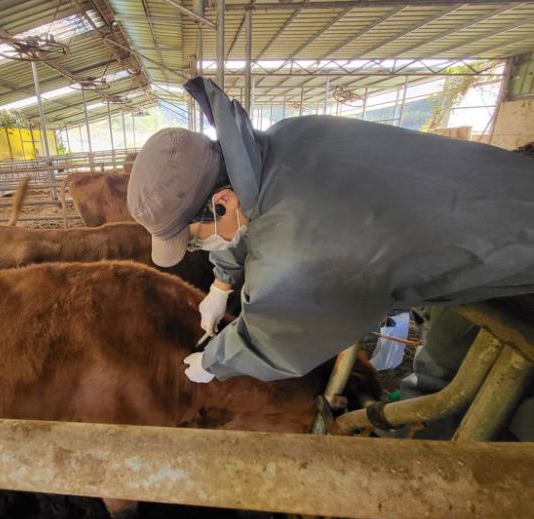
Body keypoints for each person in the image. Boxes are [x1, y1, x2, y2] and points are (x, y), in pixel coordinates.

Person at [126, 76, 534, 383]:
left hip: (514, 250)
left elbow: (279, 335)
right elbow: (259, 208)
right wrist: (221, 283)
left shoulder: (298, 252)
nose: (201, 243)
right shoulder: (286, 139)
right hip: (508, 187)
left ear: (222, 203)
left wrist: (214, 362)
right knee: (448, 354)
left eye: (195, 236)